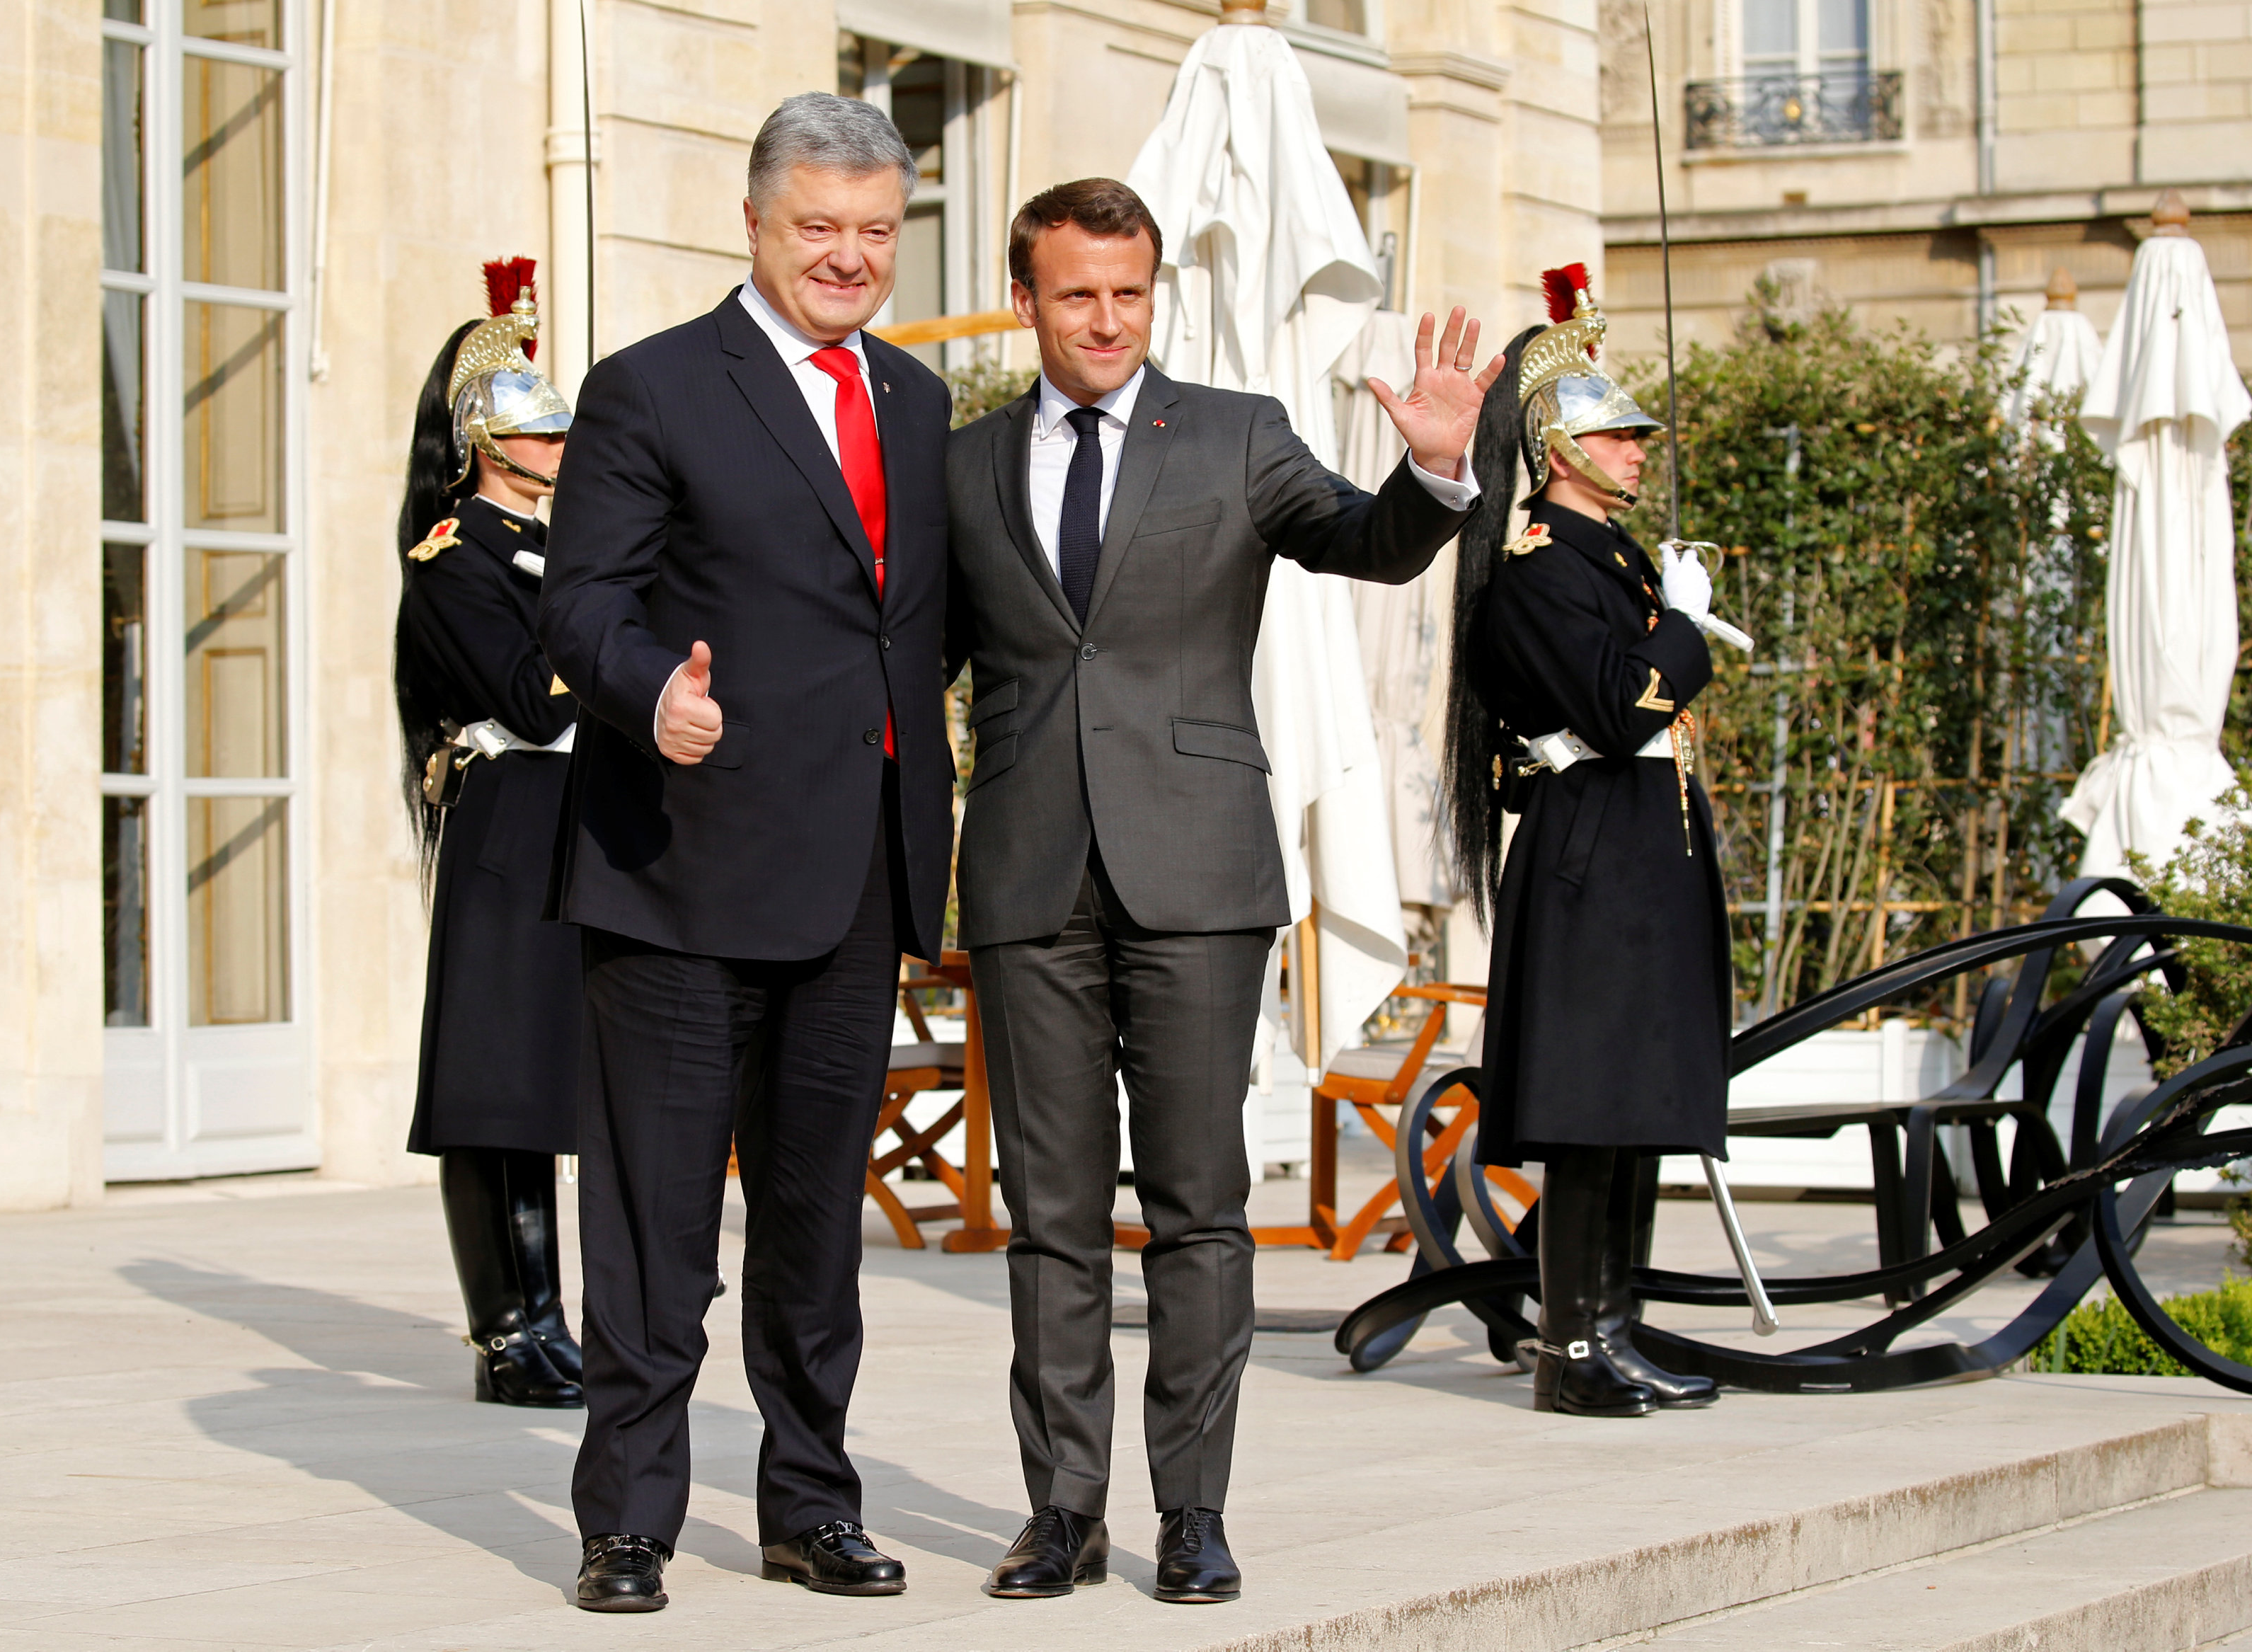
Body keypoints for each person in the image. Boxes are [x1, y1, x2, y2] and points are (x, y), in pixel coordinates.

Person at [941, 178, 1500, 1605]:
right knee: (1049, 1214)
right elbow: (907, 657)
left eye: (1130, 293)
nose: (1109, 320)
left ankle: (1191, 1513)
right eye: (1079, 295)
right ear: (1028, 301)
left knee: (1197, 1207)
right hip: (1024, 873)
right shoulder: (964, 464)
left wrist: (1431, 475)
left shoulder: (1237, 435)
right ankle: (1060, 1510)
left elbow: (1357, 540)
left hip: (1196, 872)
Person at [536, 94, 955, 1614]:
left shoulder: (914, 404)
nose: (846, 258)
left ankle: (809, 1508)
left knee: (811, 1226)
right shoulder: (649, 389)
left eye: (872, 233)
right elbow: (579, 601)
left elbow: (924, 622)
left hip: (856, 879)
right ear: (757, 224)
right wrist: (653, 692)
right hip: (684, 871)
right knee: (655, 1224)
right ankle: (629, 1522)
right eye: (817, 229)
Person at [1448, 264, 1733, 1419]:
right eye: (1617, 437)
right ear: (1561, 450)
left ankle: (1615, 1327)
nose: (1637, 451)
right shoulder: (1544, 572)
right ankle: (1571, 1351)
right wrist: (1686, 630)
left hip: (1639, 852)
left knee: (1641, 1104)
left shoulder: (1611, 564)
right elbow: (1621, 709)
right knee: (1590, 1113)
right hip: (1591, 859)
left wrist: (1663, 616)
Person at [395, 259, 585, 1412]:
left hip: (569, 820)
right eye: (544, 431)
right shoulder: (455, 560)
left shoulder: (550, 550)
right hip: (508, 820)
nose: (564, 447)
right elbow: (540, 698)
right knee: (493, 1084)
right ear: (485, 441)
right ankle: (504, 1332)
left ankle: (552, 1318)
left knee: (546, 1086)